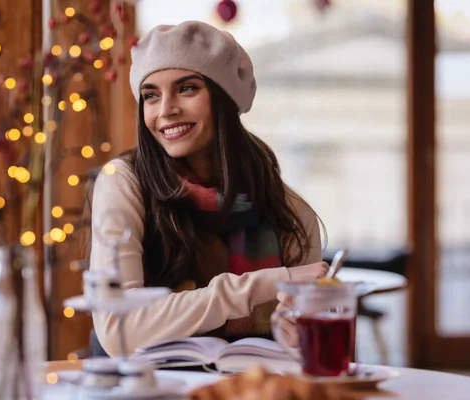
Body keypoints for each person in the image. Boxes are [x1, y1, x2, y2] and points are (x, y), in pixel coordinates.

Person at [85, 20, 328, 357]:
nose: (166, 109)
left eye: (186, 88)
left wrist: (295, 337)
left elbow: (306, 352)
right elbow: (119, 331)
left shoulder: (290, 212)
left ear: (224, 98)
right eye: (151, 95)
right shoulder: (123, 182)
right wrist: (266, 284)